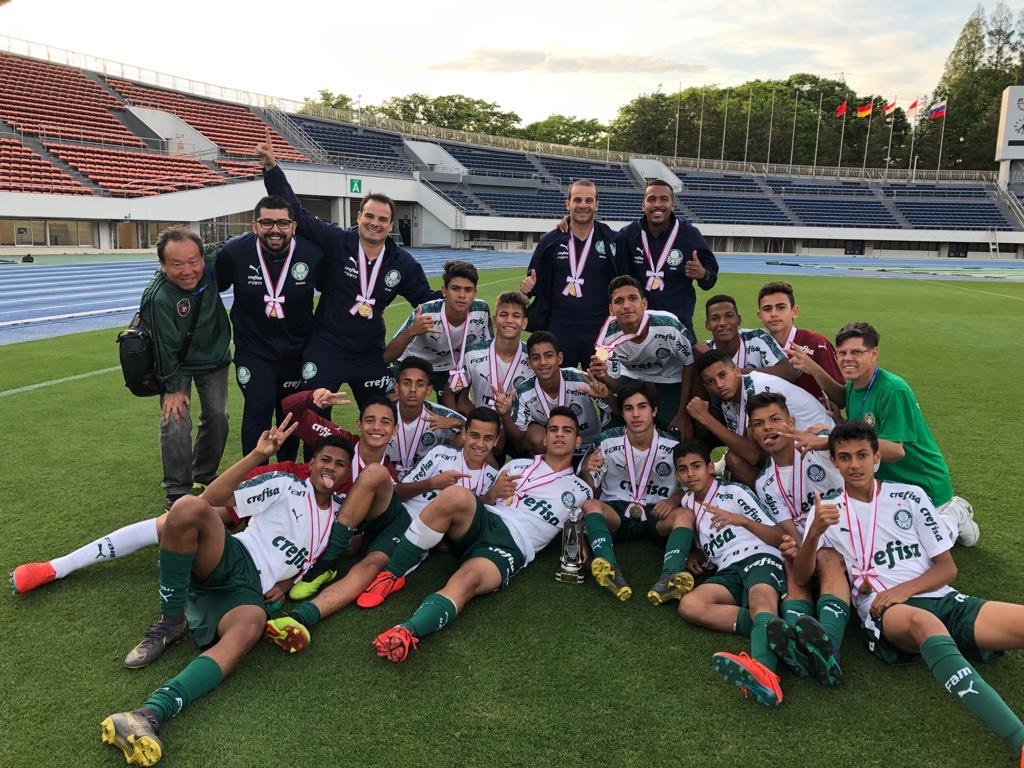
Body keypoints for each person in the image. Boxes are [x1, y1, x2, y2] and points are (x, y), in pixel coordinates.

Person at [99, 420, 348, 767]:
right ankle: (171, 619)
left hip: (247, 594)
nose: (331, 467)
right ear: (311, 463)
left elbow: (307, 560)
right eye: (325, 459)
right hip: (231, 556)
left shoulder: (338, 516)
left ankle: (149, 714)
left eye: (339, 464)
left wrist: (289, 584)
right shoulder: (288, 484)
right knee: (187, 507)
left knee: (251, 624)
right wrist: (258, 455)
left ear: (347, 473)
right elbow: (211, 499)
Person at [794, 421, 1024, 764]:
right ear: (835, 462)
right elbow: (800, 575)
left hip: (937, 596)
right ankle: (1020, 741)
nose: (854, 464)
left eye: (861, 455)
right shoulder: (825, 509)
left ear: (876, 458)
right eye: (844, 457)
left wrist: (905, 589)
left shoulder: (910, 496)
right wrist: (813, 534)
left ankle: (949, 646)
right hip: (884, 611)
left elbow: (947, 568)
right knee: (923, 624)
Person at [360, 407, 593, 662]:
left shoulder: (582, 488)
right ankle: (393, 574)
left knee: (467, 580)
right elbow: (485, 496)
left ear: (578, 440)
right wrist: (491, 494)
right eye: (553, 430)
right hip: (486, 520)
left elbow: (588, 522)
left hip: (513, 544)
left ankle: (406, 631)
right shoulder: (517, 465)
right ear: (545, 438)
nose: (559, 436)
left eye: (567, 431)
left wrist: (585, 546)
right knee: (456, 494)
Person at [263, 408, 505, 648]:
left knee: (370, 566)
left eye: (487, 438)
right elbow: (401, 489)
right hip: (395, 511)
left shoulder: (495, 479)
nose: (479, 444)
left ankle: (301, 617)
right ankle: (328, 561)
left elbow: (469, 530)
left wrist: (488, 498)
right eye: (474, 435)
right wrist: (432, 483)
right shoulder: (441, 454)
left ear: (495, 441)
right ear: (464, 432)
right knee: (375, 471)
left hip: (414, 534)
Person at [256, 142, 439, 409]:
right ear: (359, 216)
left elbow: (426, 299)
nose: (375, 223)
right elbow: (298, 214)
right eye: (370, 216)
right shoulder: (336, 241)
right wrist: (272, 169)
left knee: (382, 415)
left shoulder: (403, 264)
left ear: (390, 225)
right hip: (326, 348)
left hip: (369, 354)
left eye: (383, 219)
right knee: (314, 414)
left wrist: (453, 293)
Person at [788, 322, 979, 547]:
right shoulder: (855, 385)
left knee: (916, 550)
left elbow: (895, 450)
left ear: (874, 353)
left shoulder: (893, 389)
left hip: (921, 485)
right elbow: (842, 398)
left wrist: (827, 441)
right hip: (887, 484)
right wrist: (815, 370)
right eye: (842, 353)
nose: (847, 358)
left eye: (856, 352)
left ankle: (954, 514)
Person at [668, 440, 794, 708]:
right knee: (689, 605)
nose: (691, 474)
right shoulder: (688, 503)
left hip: (759, 556)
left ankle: (765, 676)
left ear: (710, 468)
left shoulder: (734, 492)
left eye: (696, 467)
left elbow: (777, 536)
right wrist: (694, 554)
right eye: (683, 469)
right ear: (677, 475)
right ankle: (780, 633)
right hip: (727, 569)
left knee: (761, 600)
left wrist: (743, 521)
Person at [746, 392, 850, 686]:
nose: (767, 428)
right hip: (813, 546)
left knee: (827, 557)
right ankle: (799, 642)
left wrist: (823, 436)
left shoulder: (819, 448)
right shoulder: (764, 482)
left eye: (775, 420)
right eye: (758, 424)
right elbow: (791, 530)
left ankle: (828, 646)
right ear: (753, 434)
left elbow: (852, 445)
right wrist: (795, 547)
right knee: (788, 556)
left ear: (791, 422)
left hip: (850, 540)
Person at [214, 195, 324, 460]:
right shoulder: (234, 252)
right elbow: (212, 289)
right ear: (255, 225)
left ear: (293, 226)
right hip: (254, 351)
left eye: (282, 223)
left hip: (296, 352)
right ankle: (254, 479)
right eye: (267, 222)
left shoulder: (312, 254)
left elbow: (333, 295)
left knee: (290, 414)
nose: (275, 229)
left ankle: (285, 471)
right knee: (258, 409)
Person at [278, 391, 401, 599]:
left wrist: (360, 537)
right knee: (221, 510)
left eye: (385, 422)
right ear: (359, 425)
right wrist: (311, 397)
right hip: (286, 492)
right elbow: (289, 409)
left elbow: (380, 519)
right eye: (370, 420)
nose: (377, 428)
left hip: (308, 533)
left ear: (395, 430)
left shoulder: (388, 475)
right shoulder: (337, 441)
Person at [142, 226, 231, 510]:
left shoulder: (212, 260)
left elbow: (234, 243)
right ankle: (177, 490)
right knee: (175, 420)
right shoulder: (157, 297)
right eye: (176, 264)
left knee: (218, 416)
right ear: (162, 265)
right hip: (176, 365)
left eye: (193, 261)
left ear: (202, 257)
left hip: (213, 357)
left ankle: (204, 472)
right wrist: (171, 388)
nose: (187, 270)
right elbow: (162, 347)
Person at [576, 380, 688, 603]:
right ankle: (609, 568)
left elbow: (692, 487)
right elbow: (590, 486)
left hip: (658, 512)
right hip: (618, 512)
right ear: (622, 413)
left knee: (686, 515)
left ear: (654, 411)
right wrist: (587, 469)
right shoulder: (608, 441)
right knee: (590, 505)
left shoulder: (673, 446)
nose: (636, 414)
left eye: (642, 407)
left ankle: (670, 576)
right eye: (628, 408)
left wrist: (675, 499)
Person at [686, 349, 833, 485]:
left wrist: (705, 418)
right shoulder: (729, 402)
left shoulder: (756, 388)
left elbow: (753, 455)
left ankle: (773, 497)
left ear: (737, 371)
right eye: (711, 382)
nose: (719, 384)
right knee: (734, 458)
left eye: (722, 375)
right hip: (791, 446)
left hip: (820, 445)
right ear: (705, 386)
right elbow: (746, 448)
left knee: (736, 460)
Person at [519, 179, 623, 367]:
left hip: (600, 330)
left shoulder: (613, 241)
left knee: (601, 387)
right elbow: (532, 283)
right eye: (577, 200)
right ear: (568, 204)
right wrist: (527, 287)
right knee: (559, 389)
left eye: (589, 200)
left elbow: (625, 281)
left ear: (597, 205)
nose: (583, 205)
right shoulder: (550, 241)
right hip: (559, 329)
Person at [587, 275, 696, 435]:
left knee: (675, 430)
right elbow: (616, 384)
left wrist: (683, 413)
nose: (626, 306)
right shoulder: (607, 336)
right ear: (611, 309)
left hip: (670, 378)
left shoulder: (669, 326)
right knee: (617, 425)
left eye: (633, 298)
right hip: (633, 377)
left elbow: (690, 363)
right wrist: (603, 375)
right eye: (619, 301)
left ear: (644, 303)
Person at [386, 260, 493, 406]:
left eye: (468, 290)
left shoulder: (481, 311)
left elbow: (486, 351)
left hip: (450, 367)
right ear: (444, 291)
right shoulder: (426, 312)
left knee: (455, 412)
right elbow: (388, 355)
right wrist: (411, 332)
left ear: (475, 293)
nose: (462, 295)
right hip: (412, 362)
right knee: (391, 407)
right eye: (455, 288)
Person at [619, 179, 718, 333]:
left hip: (678, 327)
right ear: (643, 205)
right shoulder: (628, 234)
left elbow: (710, 280)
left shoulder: (690, 234)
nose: (657, 204)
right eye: (651, 199)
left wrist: (703, 274)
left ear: (673, 205)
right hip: (638, 327)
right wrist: (570, 221)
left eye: (664, 199)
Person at [499, 331, 610, 455]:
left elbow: (614, 411)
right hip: (553, 450)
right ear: (529, 363)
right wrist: (504, 415)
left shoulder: (580, 379)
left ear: (559, 358)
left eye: (549, 356)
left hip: (588, 446)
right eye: (536, 358)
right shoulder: (524, 390)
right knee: (536, 438)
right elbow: (519, 437)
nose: (543, 362)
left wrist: (607, 396)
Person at [755, 281, 842, 407]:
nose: (773, 313)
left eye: (781, 307)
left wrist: (814, 369)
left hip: (814, 424)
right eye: (767, 309)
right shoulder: (755, 347)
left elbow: (841, 399)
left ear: (795, 311)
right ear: (760, 315)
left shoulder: (817, 343)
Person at [386, 357, 465, 476]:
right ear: (397, 388)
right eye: (407, 383)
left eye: (420, 384)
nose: (413, 389)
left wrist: (456, 423)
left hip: (424, 480)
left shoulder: (440, 415)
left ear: (428, 390)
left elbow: (476, 429)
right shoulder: (382, 412)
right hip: (385, 478)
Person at [458, 291, 532, 412]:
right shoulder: (472, 354)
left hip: (519, 430)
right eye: (503, 315)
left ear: (524, 323)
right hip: (485, 429)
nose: (509, 320)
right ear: (494, 320)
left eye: (516, 316)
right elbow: (460, 400)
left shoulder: (532, 358)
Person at [702, 294, 798, 381]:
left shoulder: (757, 337)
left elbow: (789, 371)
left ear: (739, 320)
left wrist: (736, 373)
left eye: (729, 316)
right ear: (707, 325)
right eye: (715, 318)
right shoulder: (704, 352)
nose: (722, 323)